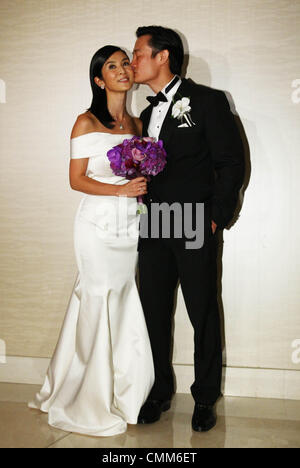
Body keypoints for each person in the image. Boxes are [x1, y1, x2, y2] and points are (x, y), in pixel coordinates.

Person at [28, 45, 154, 437]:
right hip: (96, 225)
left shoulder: (135, 125)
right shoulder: (85, 122)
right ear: (99, 80)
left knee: (119, 298)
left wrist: (140, 189)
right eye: (111, 66)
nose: (122, 70)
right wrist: (120, 191)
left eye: (124, 64)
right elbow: (76, 180)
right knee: (97, 297)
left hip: (126, 226)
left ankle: (121, 390)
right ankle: (87, 398)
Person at [131, 26, 245, 432]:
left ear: (163, 56)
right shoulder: (144, 114)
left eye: (138, 52)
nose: (133, 61)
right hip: (155, 224)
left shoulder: (208, 101)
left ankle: (205, 397)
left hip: (195, 221)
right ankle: (159, 390)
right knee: (153, 313)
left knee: (203, 312)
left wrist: (216, 215)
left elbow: (231, 162)